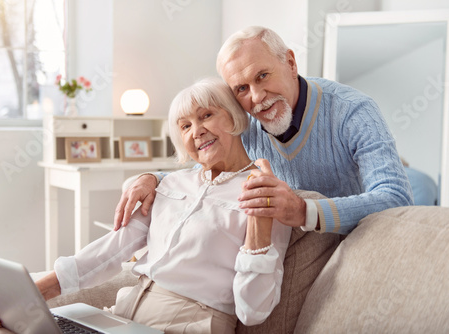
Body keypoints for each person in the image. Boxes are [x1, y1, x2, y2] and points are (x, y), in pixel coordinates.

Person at [0, 77, 292, 334]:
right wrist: (27, 294)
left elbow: (253, 312)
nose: (197, 131)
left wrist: (258, 227)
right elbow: (111, 250)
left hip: (190, 324)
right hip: (123, 318)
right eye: (184, 126)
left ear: (234, 118)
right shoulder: (170, 183)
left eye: (206, 115)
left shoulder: (264, 192)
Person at [115, 26, 413, 235]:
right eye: (242, 88)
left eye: (263, 76)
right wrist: (153, 178)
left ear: (291, 63)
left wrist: (303, 211)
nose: (256, 97)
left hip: (354, 244)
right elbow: (210, 171)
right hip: (287, 250)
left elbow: (396, 198)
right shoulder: (245, 123)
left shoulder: (353, 111)